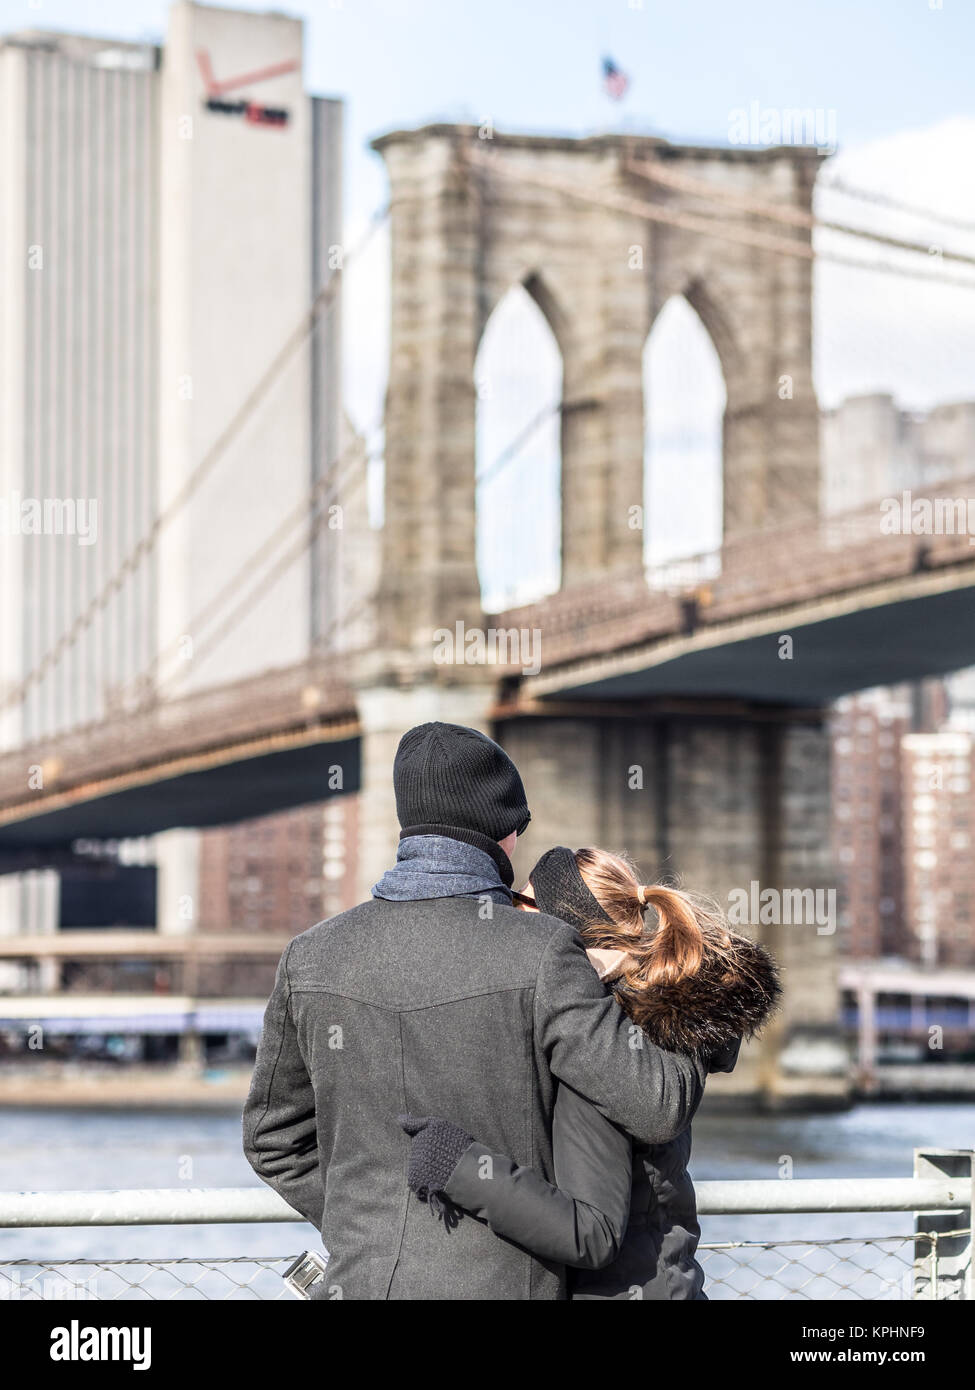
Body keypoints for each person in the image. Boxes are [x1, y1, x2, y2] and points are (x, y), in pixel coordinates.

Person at [243, 723, 706, 1300]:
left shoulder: (310, 955)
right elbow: (657, 1106)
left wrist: (370, 1227)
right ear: (506, 833)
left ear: (407, 819)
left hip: (362, 1282)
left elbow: (272, 1139)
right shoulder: (543, 952)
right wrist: (692, 994)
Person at [399, 845, 780, 1300]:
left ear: (565, 929)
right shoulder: (646, 1013)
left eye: (521, 903)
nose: (507, 913)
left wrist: (457, 1164)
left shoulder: (604, 1041)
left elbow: (591, 1233)